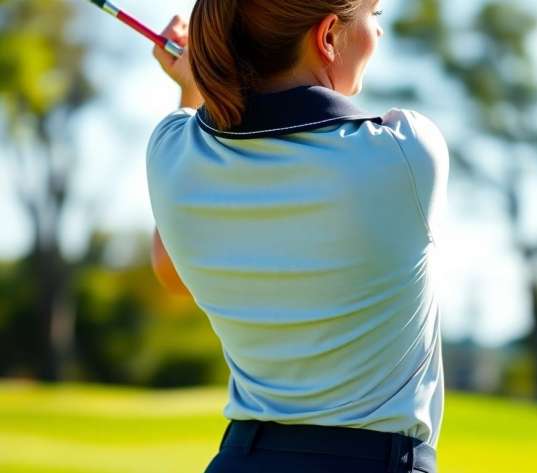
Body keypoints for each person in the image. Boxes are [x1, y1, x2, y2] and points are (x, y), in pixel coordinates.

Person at [146, 1, 448, 472]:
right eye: (376, 16)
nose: (379, 34)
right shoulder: (406, 151)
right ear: (328, 36)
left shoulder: (171, 151)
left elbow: (172, 272)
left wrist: (195, 89)